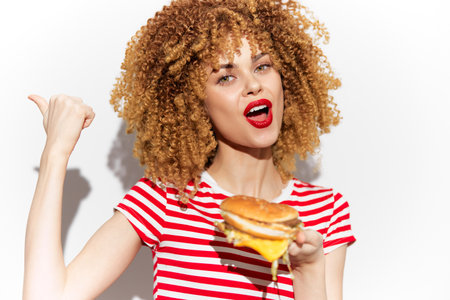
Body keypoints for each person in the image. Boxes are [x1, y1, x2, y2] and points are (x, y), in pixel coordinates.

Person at [24, 0, 355, 299]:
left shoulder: (326, 211)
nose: (253, 85)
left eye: (262, 66)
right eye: (226, 77)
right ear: (197, 104)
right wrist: (55, 152)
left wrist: (307, 269)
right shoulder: (165, 199)